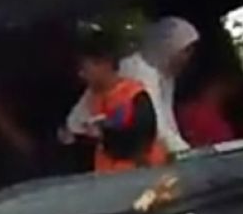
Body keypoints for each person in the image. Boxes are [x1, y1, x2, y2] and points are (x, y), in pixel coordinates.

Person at [65, 16, 198, 156]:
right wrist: (187, 155)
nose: (188, 58)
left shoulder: (164, 74)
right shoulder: (138, 72)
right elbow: (157, 127)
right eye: (186, 50)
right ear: (170, 45)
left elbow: (167, 123)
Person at [61, 30, 167, 173]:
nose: (81, 74)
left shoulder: (134, 94)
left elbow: (141, 139)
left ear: (105, 63)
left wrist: (104, 133)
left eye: (85, 68)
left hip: (141, 173)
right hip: (107, 176)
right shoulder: (90, 97)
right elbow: (74, 127)